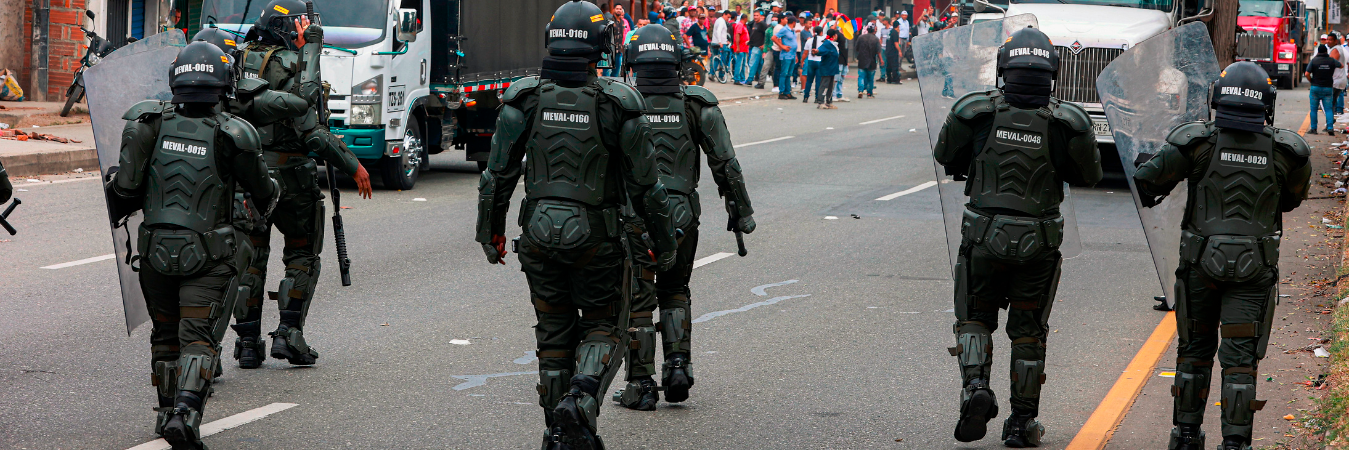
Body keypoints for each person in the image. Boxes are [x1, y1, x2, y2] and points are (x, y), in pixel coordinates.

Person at [475, 2, 678, 448]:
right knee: (605, 327)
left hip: (538, 237)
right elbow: (648, 189)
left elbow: (496, 179)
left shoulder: (523, 99)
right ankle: (581, 404)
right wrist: (665, 246)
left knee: (553, 335)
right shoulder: (617, 103)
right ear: (601, 45)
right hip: (598, 241)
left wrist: (488, 234)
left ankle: (558, 434)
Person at [106, 40, 280, 450]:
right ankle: (185, 413)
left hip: (153, 254)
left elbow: (125, 191)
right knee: (198, 337)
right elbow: (263, 193)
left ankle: (166, 413)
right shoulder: (235, 133)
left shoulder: (145, 122)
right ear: (224, 82)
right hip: (210, 254)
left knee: (165, 336)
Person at [933, 27, 1102, 447]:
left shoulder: (976, 111)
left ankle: (975, 389)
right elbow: (1090, 175)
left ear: (1003, 68)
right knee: (1028, 333)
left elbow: (945, 156)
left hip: (983, 237)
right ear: (1053, 73)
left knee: (974, 319)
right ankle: (1021, 423)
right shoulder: (1069, 121)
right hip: (1038, 243)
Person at [1133, 61, 1310, 450]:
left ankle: (1185, 435)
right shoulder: (1287, 151)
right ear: (1267, 103)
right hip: (1254, 270)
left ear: (1217, 98)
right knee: (1241, 359)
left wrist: (1146, 164)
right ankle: (1235, 444)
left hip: (1200, 266)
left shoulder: (1196, 142)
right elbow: (1293, 200)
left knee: (1194, 352)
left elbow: (1149, 183)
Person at [613, 24, 756, 411]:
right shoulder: (697, 105)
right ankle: (678, 365)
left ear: (633, 62)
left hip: (634, 214)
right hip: (681, 212)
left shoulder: (618, 102)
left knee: (638, 300)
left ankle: (640, 385)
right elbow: (726, 164)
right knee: (675, 290)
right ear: (677, 62)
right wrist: (742, 213)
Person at [230, 0, 374, 369]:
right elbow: (312, 135)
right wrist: (353, 164)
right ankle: (288, 334)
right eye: (299, 23)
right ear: (284, 27)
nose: (304, 28)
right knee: (302, 254)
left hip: (247, 178)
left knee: (250, 260)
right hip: (292, 181)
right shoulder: (297, 67)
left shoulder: (235, 61)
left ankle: (247, 342)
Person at [1308, 44, 1341, 135]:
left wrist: (1312, 81)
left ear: (1318, 52)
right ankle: (1330, 128)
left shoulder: (1314, 60)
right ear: (1326, 51)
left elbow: (1307, 73)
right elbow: (1341, 65)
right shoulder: (1331, 60)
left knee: (1314, 109)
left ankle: (1314, 129)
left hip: (1315, 88)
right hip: (1328, 88)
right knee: (1328, 109)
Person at [773, 14, 800, 99]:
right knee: (784, 73)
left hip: (792, 55)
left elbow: (793, 42)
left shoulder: (793, 30)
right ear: (794, 22)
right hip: (786, 55)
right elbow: (774, 38)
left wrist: (795, 55)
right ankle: (781, 92)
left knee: (789, 74)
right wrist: (782, 46)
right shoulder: (784, 29)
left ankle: (787, 92)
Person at [814, 29, 840, 109]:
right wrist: (817, 51)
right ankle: (820, 102)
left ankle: (829, 102)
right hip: (826, 69)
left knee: (831, 86)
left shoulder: (834, 44)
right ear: (834, 35)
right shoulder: (827, 44)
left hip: (832, 68)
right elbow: (821, 50)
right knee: (824, 85)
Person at [855, 25, 880, 98]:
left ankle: (860, 90)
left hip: (862, 60)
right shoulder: (876, 39)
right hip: (872, 61)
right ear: (873, 31)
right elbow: (878, 51)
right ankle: (869, 93)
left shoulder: (861, 37)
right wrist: (881, 60)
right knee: (870, 78)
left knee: (861, 76)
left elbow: (856, 48)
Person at [801, 26, 825, 103]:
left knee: (809, 81)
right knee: (818, 81)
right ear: (821, 32)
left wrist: (802, 61)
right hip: (820, 62)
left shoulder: (809, 40)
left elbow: (805, 53)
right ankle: (817, 98)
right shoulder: (823, 41)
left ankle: (806, 97)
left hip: (811, 61)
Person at [748, 10, 769, 88]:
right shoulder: (755, 23)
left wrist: (764, 44)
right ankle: (761, 82)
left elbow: (767, 35)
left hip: (758, 47)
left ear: (761, 16)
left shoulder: (762, 24)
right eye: (754, 15)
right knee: (760, 65)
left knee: (752, 64)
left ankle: (749, 79)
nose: (755, 17)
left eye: (757, 15)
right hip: (754, 45)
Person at [833, 19, 851, 102]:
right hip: (838, 60)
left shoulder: (846, 36)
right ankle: (833, 95)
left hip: (844, 60)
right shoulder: (838, 35)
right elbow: (832, 31)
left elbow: (845, 50)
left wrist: (847, 62)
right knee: (836, 78)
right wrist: (836, 21)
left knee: (842, 78)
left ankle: (839, 94)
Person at [710, 9, 731, 78]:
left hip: (714, 42)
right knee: (723, 59)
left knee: (715, 58)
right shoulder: (722, 21)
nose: (728, 19)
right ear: (724, 14)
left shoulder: (718, 20)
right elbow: (719, 31)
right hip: (720, 43)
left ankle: (712, 73)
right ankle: (721, 75)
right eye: (727, 17)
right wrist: (720, 42)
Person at [732, 12, 751, 85]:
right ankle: (736, 79)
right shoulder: (740, 25)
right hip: (741, 48)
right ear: (745, 19)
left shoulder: (743, 25)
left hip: (744, 48)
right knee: (739, 64)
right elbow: (737, 35)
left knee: (743, 64)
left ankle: (742, 78)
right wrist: (738, 47)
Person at [885, 19, 903, 84]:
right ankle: (896, 79)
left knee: (889, 66)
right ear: (898, 26)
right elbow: (896, 43)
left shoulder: (890, 32)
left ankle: (889, 79)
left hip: (888, 51)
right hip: (893, 52)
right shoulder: (895, 33)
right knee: (895, 66)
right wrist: (900, 51)